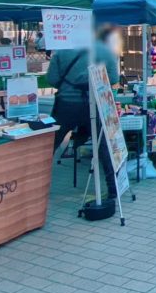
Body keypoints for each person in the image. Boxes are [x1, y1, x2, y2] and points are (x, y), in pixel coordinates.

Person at [47, 26, 121, 199]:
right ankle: (113, 188)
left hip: (66, 104)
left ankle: (35, 184)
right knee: (104, 145)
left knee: (51, 143)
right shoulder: (105, 51)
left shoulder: (62, 50)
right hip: (94, 103)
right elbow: (114, 80)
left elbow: (52, 79)